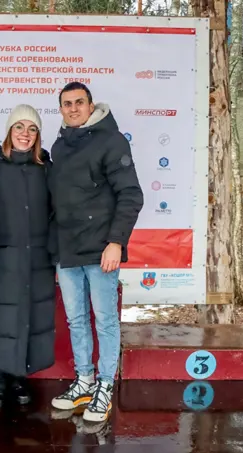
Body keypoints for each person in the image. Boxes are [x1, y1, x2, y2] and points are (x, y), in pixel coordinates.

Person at [48, 82, 143, 423]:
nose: (73, 108)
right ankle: (84, 381)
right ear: (61, 109)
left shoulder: (111, 141)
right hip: (67, 250)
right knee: (76, 320)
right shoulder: (59, 145)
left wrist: (116, 242)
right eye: (67, 104)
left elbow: (131, 194)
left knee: (104, 320)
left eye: (79, 102)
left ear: (91, 106)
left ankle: (105, 385)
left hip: (102, 250)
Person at [0, 104, 57, 408]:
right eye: (19, 127)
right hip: (1, 257)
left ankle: (20, 374)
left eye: (32, 129)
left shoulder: (47, 169)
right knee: (1, 316)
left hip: (38, 258)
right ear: (9, 131)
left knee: (30, 316)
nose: (25, 134)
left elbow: (56, 212)